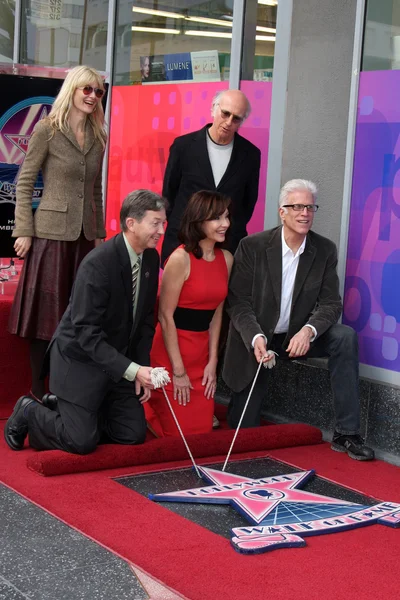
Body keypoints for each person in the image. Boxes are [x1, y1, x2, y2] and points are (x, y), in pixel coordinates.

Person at [222, 179, 375, 461]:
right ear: (282, 212)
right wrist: (256, 337)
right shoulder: (252, 246)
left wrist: (309, 331)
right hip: (258, 339)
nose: (305, 213)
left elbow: (331, 302)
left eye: (310, 207)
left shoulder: (324, 250)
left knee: (344, 337)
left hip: (296, 339)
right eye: (297, 207)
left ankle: (347, 433)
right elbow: (238, 302)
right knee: (244, 432)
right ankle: (240, 403)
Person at [4, 190, 166, 455]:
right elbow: (85, 333)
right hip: (79, 360)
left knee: (132, 433)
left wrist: (140, 368)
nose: (161, 230)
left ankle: (76, 414)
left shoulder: (150, 258)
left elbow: (145, 321)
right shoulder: (98, 264)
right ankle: (30, 410)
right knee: (81, 442)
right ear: (131, 223)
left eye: (163, 223)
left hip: (116, 362)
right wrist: (132, 370)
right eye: (155, 223)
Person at [8, 65, 108, 404]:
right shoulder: (47, 129)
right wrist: (24, 230)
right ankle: (38, 393)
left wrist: (99, 235)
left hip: (84, 241)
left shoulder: (99, 137)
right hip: (50, 236)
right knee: (45, 319)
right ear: (73, 90)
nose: (93, 96)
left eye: (98, 91)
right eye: (87, 90)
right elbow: (24, 181)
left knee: (78, 316)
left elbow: (96, 191)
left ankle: (66, 390)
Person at [147, 190, 233, 436]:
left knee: (201, 432)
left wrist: (213, 361)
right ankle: (147, 407)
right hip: (171, 353)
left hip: (201, 353)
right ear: (199, 220)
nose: (225, 224)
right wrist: (178, 371)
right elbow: (165, 316)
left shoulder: (226, 258)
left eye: (226, 217)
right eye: (217, 218)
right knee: (179, 437)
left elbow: (217, 312)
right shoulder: (179, 259)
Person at [161, 89, 261, 266]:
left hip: (226, 244)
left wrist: (227, 226)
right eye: (225, 113)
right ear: (214, 109)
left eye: (236, 118)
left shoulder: (250, 154)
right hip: (184, 240)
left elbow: (248, 202)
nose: (229, 122)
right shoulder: (183, 146)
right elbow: (169, 193)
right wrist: (186, 224)